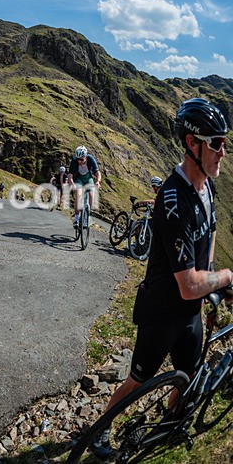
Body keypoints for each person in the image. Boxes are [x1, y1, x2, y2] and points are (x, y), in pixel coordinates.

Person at [90, 98, 233, 458]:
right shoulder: (172, 199)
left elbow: (211, 232)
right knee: (137, 379)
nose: (223, 152)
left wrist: (212, 278)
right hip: (162, 312)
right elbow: (187, 285)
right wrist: (226, 277)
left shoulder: (207, 187)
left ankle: (170, 427)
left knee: (186, 374)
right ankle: (100, 430)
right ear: (192, 143)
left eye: (225, 142)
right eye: (216, 143)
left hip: (190, 314)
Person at [67, 145, 101, 228]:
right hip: (78, 178)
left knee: (91, 195)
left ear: (85, 157)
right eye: (78, 159)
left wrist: (98, 182)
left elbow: (97, 173)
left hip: (88, 178)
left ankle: (87, 217)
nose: (79, 161)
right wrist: (72, 184)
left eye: (81, 159)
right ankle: (77, 219)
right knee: (78, 195)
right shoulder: (74, 161)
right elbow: (70, 175)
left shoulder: (90, 159)